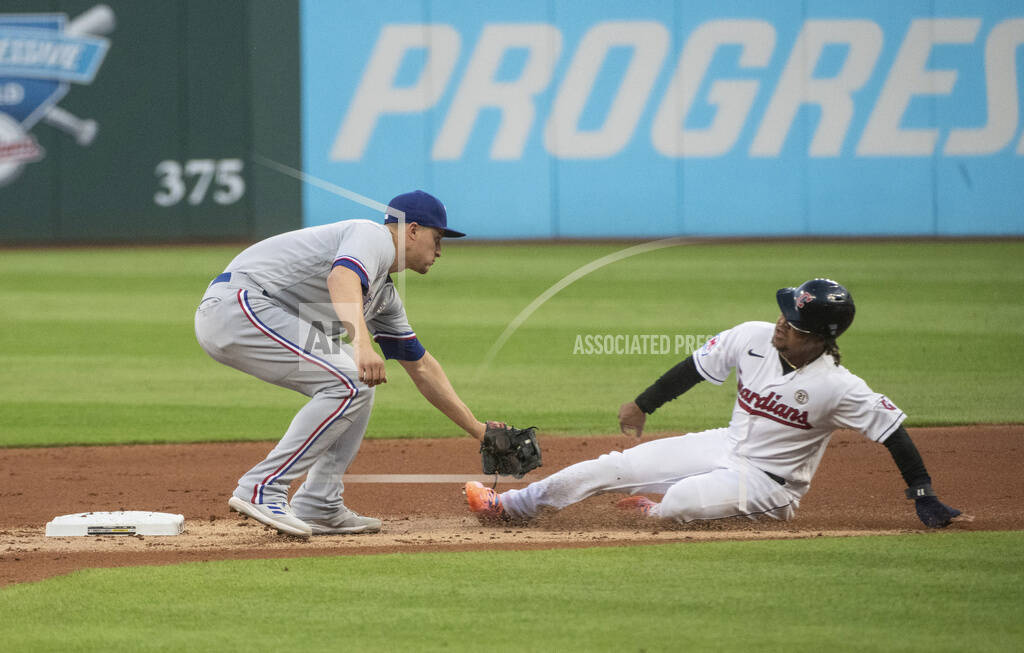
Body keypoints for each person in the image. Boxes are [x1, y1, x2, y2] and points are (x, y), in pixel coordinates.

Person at [466, 279, 964, 529]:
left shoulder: (840, 387)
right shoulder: (752, 337)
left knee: (679, 502)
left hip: (771, 485)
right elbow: (693, 367)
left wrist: (922, 493)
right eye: (784, 313)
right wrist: (643, 405)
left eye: (793, 322)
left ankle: (658, 510)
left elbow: (892, 431)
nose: (780, 323)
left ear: (820, 337)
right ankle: (508, 506)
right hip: (724, 446)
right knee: (611, 467)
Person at [196, 190, 493, 537]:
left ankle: (319, 503)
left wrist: (479, 430)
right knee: (351, 375)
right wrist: (362, 343)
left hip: (253, 312)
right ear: (411, 230)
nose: (439, 250)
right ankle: (263, 488)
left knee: (358, 384)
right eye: (436, 238)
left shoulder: (383, 294)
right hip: (238, 306)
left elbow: (422, 366)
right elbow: (342, 278)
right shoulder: (373, 236)